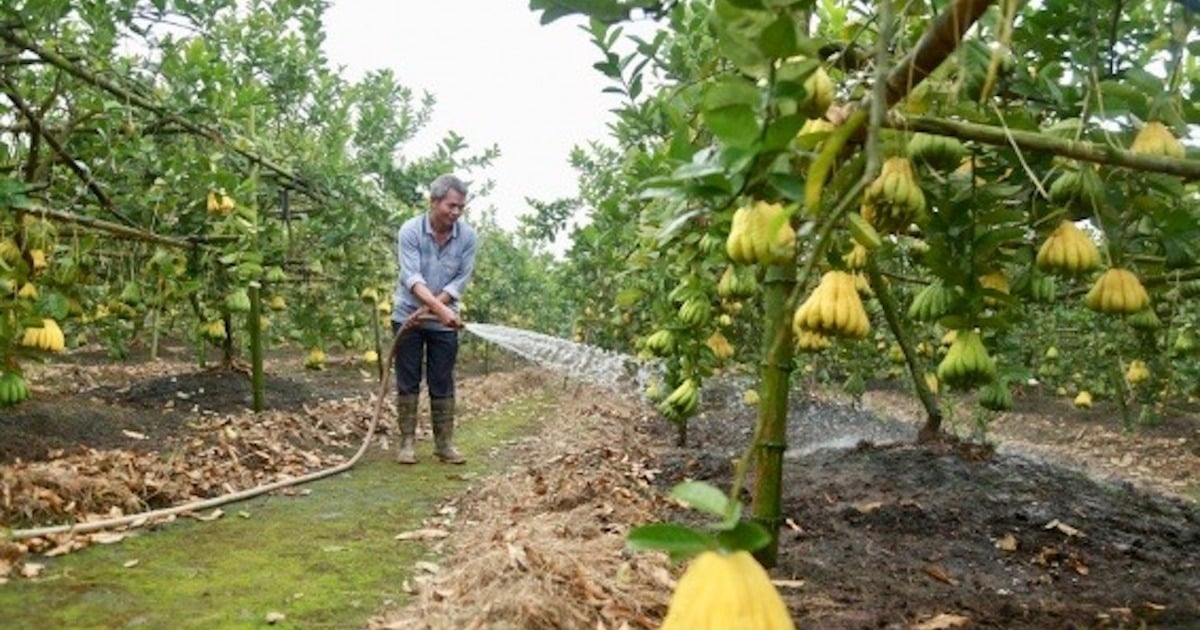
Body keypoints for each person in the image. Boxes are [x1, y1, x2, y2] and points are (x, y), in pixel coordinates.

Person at [391, 174, 477, 465]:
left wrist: (437, 309)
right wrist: (437, 310)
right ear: (434, 201)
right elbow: (411, 277)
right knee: (408, 379)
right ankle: (406, 443)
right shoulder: (410, 231)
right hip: (408, 317)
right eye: (451, 206)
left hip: (443, 322)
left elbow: (460, 280)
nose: (455, 213)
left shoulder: (467, 237)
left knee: (442, 381)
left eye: (460, 208)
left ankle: (444, 444)